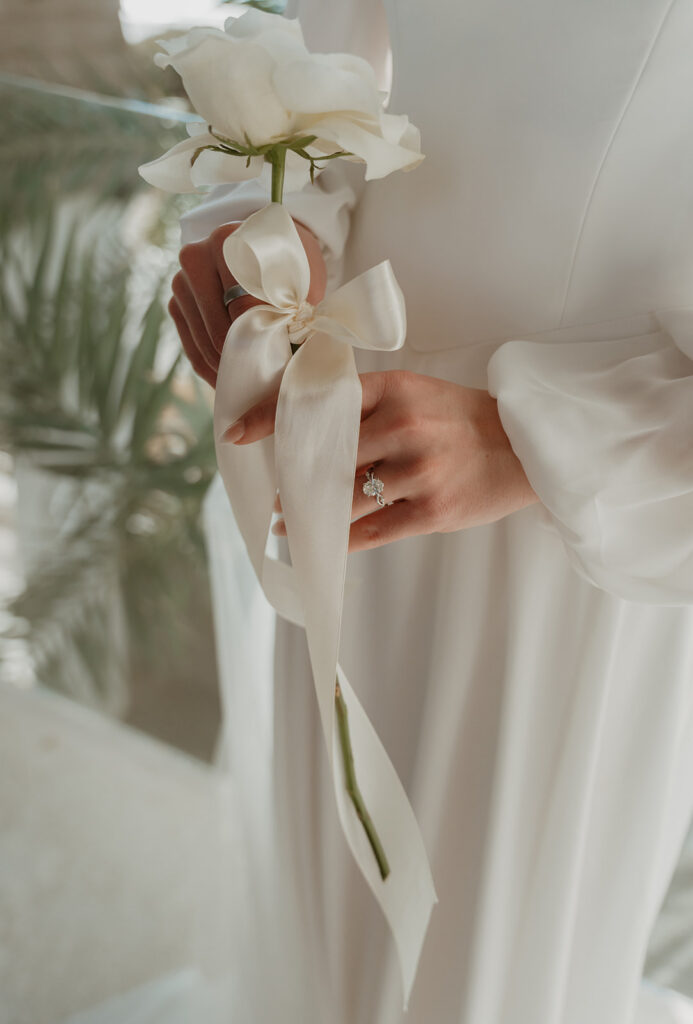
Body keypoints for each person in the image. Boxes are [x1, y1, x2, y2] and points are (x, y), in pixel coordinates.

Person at [170, 1, 693, 1021]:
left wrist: (521, 445)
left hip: (570, 522)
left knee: (486, 971)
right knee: (332, 924)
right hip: (351, 424)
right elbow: (328, 75)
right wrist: (270, 229)